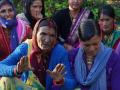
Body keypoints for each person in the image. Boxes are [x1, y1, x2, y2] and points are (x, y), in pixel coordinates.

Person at [0, 18, 76, 90]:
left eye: (52, 35)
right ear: (35, 33)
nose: (47, 40)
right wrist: (16, 70)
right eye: (43, 34)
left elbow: (72, 83)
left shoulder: (59, 52)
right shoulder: (25, 47)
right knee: (6, 80)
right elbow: (1, 66)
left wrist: (61, 80)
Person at [69, 19, 120, 90]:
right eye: (87, 45)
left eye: (95, 44)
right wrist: (60, 81)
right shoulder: (72, 56)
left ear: (100, 37)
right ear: (80, 41)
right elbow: (68, 83)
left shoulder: (112, 58)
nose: (92, 49)